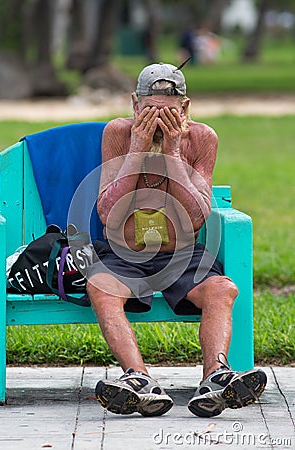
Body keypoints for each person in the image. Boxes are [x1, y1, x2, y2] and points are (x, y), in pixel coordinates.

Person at [86, 62, 267, 418]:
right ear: (135, 106)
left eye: (168, 112)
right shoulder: (118, 133)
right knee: (102, 287)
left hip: (181, 252)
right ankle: (139, 381)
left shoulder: (201, 138)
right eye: (149, 110)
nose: (157, 120)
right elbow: (109, 212)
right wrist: (138, 149)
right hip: (124, 251)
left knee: (222, 289)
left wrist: (170, 153)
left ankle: (216, 378)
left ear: (185, 109)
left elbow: (197, 214)